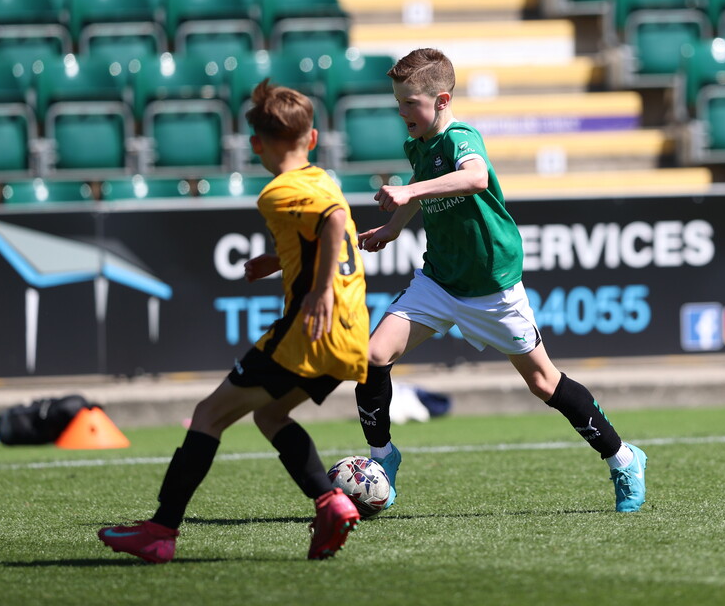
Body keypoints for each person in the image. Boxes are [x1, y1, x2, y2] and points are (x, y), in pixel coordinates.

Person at [353, 48, 648, 513]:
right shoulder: (421, 145)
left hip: (492, 288)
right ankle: (383, 458)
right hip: (440, 281)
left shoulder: (461, 136)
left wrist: (410, 191)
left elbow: (472, 177)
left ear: (443, 99)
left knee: (545, 384)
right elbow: (421, 178)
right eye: (398, 103)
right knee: (372, 356)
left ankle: (624, 459)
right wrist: (393, 228)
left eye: (411, 102)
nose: (402, 112)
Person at [98, 79, 371, 563]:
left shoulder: (278, 191)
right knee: (269, 415)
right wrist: (278, 258)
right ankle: (330, 504)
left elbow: (330, 222)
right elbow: (326, 225)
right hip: (349, 334)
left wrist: (320, 288)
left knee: (208, 414)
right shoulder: (323, 177)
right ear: (312, 139)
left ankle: (161, 531)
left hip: (308, 329)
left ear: (255, 145)